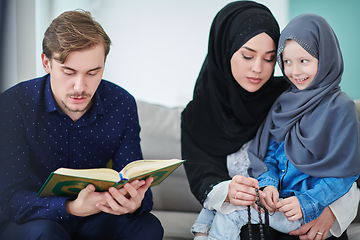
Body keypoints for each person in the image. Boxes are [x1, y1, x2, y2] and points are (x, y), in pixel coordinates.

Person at [181, 2, 359, 240]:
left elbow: (347, 168)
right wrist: (232, 191)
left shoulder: (293, 94)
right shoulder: (197, 115)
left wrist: (331, 211)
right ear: (224, 50)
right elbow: (204, 180)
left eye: (268, 59)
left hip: (305, 217)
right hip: (258, 212)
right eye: (247, 55)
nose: (258, 69)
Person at [0, 10, 163, 239]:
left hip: (97, 218)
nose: (80, 87)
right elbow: (10, 199)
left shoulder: (122, 104)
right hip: (35, 220)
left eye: (93, 73)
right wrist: (70, 207)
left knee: (147, 225)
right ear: (46, 63)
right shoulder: (13, 104)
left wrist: (135, 203)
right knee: (45, 232)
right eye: (69, 72)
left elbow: (133, 176)